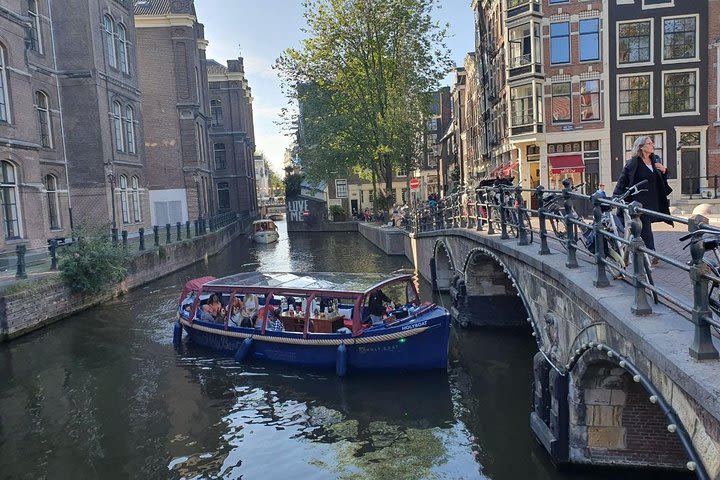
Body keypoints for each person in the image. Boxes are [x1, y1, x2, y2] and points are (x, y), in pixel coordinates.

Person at [612, 135, 673, 266]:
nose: (652, 145)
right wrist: (616, 196)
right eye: (649, 143)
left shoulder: (655, 160)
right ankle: (651, 252)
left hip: (653, 199)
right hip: (638, 200)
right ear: (641, 147)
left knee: (642, 226)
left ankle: (638, 249)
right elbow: (622, 181)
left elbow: (660, 178)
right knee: (644, 224)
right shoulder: (633, 163)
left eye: (652, 143)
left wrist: (665, 170)